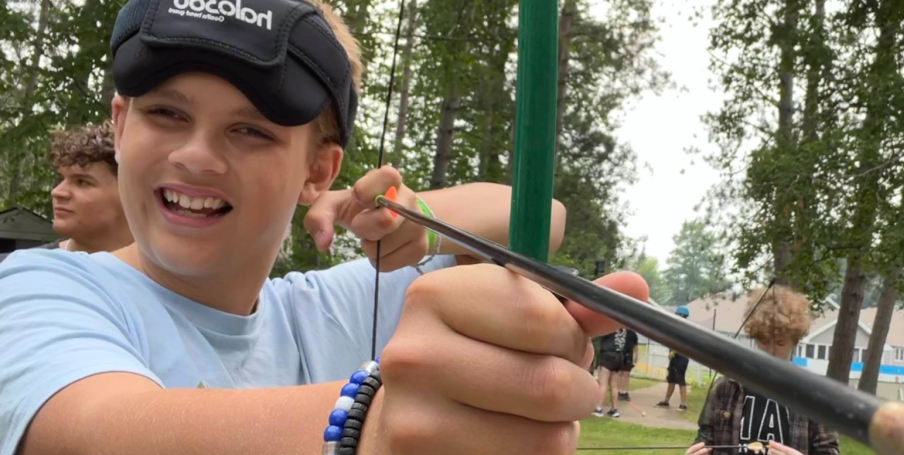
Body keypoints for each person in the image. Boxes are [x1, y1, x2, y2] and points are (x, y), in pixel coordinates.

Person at [0, 2, 649, 455]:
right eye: (166, 113)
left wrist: (421, 221)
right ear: (119, 125)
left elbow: (541, 217)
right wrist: (370, 424)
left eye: (250, 129)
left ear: (318, 169)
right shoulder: (41, 286)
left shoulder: (314, 308)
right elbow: (93, 430)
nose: (196, 154)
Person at [687, 287, 839, 455]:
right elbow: (706, 439)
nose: (771, 351)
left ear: (795, 341)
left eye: (780, 343)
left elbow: (829, 450)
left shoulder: (814, 393)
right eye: (764, 341)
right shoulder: (726, 387)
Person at [0, 123, 132, 262]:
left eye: (82, 182)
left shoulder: (153, 278)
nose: (57, 192)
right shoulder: (13, 271)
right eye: (61, 179)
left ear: (132, 192)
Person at [657, 306, 692, 411]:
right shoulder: (675, 327)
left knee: (680, 380)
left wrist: (674, 351)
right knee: (671, 379)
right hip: (674, 358)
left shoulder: (685, 329)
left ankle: (683, 404)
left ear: (682, 316)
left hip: (682, 358)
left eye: (678, 315)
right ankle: (666, 401)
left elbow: (684, 344)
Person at [594, 327, 631, 417]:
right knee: (614, 385)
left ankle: (598, 408)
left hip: (608, 356)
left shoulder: (612, 327)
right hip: (618, 357)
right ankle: (614, 409)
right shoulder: (624, 329)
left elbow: (599, 334)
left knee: (603, 383)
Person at [617, 329, 640, 401]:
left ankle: (625, 391)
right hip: (620, 354)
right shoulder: (619, 332)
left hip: (628, 355)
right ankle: (619, 391)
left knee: (626, 373)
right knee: (620, 373)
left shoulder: (633, 334)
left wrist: (636, 356)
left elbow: (635, 347)